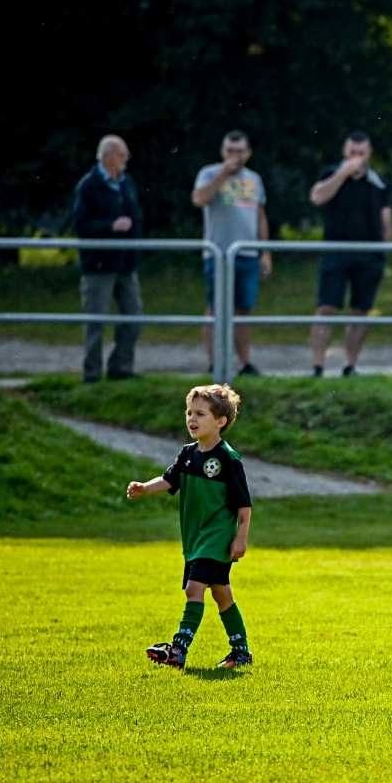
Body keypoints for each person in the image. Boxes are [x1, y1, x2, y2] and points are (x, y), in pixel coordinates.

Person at [127, 384, 254, 671]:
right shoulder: (188, 454)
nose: (191, 419)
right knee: (221, 592)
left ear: (220, 421)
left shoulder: (227, 458)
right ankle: (241, 652)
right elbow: (169, 479)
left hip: (216, 537)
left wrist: (240, 538)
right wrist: (144, 488)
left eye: (200, 414)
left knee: (194, 589)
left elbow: (243, 504)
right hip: (195, 538)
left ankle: (178, 650)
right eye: (189, 413)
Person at [309, 132, 392, 377]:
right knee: (326, 308)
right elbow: (317, 197)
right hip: (335, 251)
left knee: (360, 311)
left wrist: (384, 251)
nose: (356, 157)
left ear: (369, 154)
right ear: (344, 152)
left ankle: (349, 365)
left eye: (361, 153)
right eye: (352, 152)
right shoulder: (330, 174)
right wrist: (343, 174)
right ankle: (317, 366)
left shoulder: (377, 182)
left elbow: (386, 219)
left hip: (369, 254)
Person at [193, 130, 271, 376]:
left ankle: (244, 362)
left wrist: (265, 252)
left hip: (247, 254)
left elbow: (260, 216)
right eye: (229, 150)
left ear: (248, 153)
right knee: (215, 308)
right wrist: (223, 173)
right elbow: (199, 199)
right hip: (219, 254)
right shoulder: (209, 173)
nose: (234, 155)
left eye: (239, 151)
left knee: (243, 310)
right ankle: (214, 363)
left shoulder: (254, 179)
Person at [71, 135, 144, 383]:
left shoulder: (127, 183)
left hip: (125, 263)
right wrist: (110, 226)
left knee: (133, 315)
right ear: (108, 157)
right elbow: (81, 224)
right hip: (98, 265)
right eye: (122, 155)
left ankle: (121, 367)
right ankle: (92, 373)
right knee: (96, 320)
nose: (126, 160)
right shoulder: (89, 186)